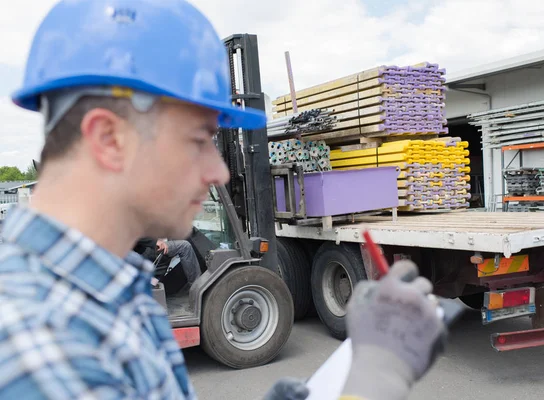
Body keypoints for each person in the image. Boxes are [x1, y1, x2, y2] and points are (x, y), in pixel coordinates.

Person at [0, 1, 448, 399]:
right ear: (109, 139)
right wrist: (372, 383)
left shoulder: (107, 294)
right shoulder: (44, 353)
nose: (219, 172)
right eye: (198, 140)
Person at [134, 237, 203, 284]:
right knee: (185, 246)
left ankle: (153, 281)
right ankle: (196, 287)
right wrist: (154, 241)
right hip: (143, 249)